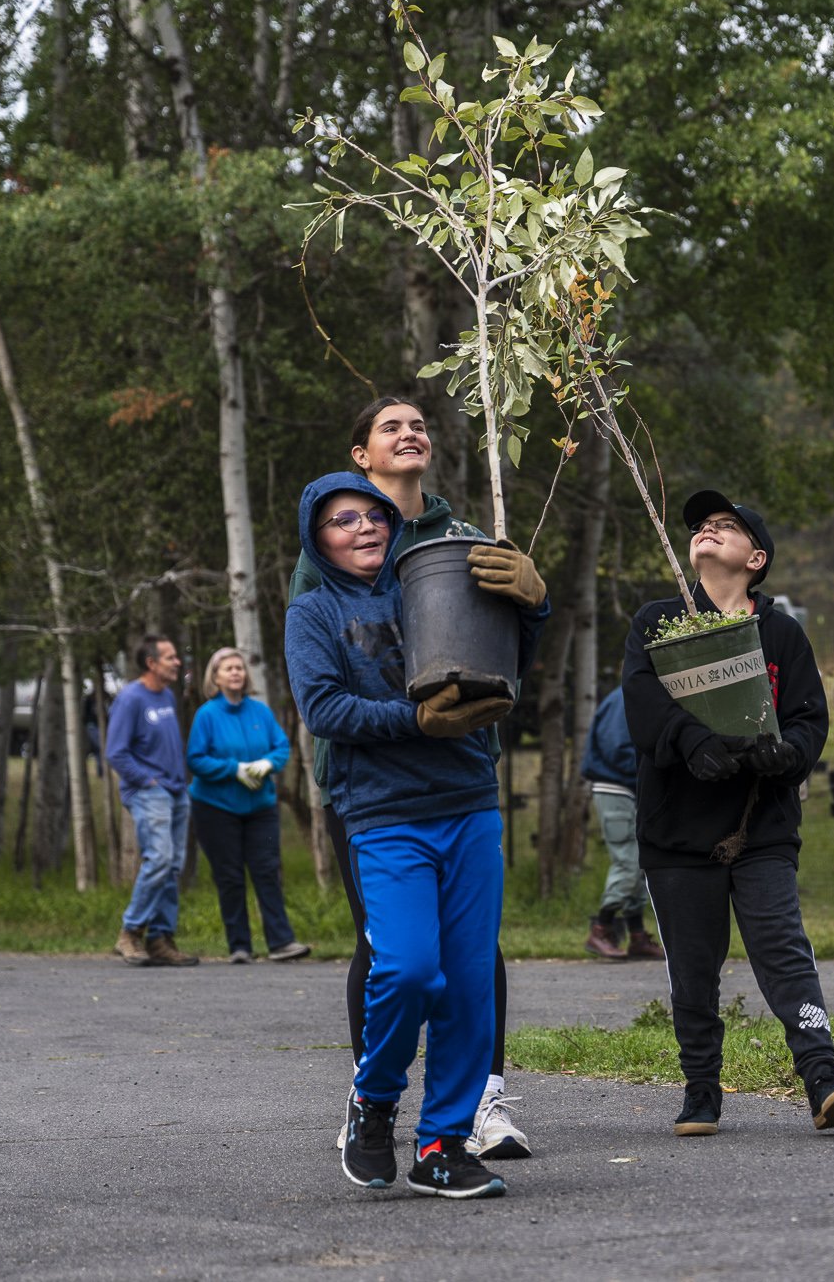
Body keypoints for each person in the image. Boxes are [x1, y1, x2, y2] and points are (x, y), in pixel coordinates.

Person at [288, 472, 546, 1199]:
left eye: (373, 515)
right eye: (343, 520)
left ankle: (442, 1144)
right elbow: (325, 708)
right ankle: (373, 1102)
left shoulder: (427, 584)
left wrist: (534, 603)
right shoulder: (312, 613)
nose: (365, 526)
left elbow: (502, 662)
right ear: (318, 537)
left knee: (468, 986)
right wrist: (418, 720)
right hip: (383, 813)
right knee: (405, 969)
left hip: (468, 803)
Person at [621, 489, 834, 1137]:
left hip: (760, 827)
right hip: (677, 830)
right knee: (694, 968)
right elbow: (642, 703)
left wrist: (788, 756)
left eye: (725, 526)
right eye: (701, 525)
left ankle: (822, 1077)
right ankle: (701, 1089)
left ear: (755, 558)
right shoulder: (656, 622)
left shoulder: (781, 633)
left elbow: (811, 716)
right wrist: (692, 742)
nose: (707, 529)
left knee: (782, 948)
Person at [185, 647, 306, 964]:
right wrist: (234, 770)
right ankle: (239, 945)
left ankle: (281, 942)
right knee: (230, 876)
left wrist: (267, 764)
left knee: (267, 871)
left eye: (239, 667)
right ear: (215, 677)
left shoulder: (260, 712)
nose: (236, 672)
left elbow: (281, 747)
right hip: (216, 808)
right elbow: (196, 760)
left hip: (260, 809)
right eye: (228, 669)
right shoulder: (207, 715)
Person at [106, 635, 197, 968]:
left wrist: (175, 784)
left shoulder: (168, 697)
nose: (177, 662)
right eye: (171, 657)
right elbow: (116, 752)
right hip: (148, 792)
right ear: (151, 663)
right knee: (159, 859)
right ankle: (130, 931)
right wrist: (149, 781)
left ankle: (160, 939)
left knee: (171, 867)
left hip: (176, 790)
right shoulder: (131, 698)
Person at [580, 685, 662, 960]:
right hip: (616, 788)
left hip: (627, 790)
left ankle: (637, 936)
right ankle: (601, 928)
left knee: (639, 863)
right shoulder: (624, 698)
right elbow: (617, 747)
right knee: (629, 862)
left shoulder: (632, 695)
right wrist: (654, 769)